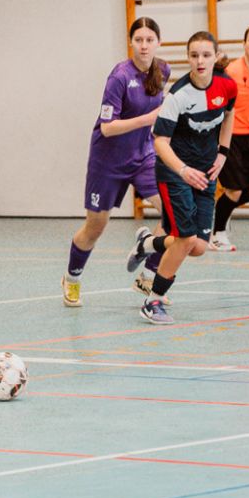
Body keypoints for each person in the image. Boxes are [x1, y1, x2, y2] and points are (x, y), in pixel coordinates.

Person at [125, 31, 236, 325]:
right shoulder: (178, 95)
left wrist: (223, 153)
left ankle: (148, 243)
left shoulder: (226, 86)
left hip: (205, 173)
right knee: (185, 239)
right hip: (174, 172)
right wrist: (183, 170)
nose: (200, 61)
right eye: (194, 55)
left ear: (215, 57)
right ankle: (153, 301)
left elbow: (229, 115)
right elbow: (160, 141)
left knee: (198, 247)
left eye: (206, 55)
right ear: (188, 58)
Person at [62, 17, 169, 308]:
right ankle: (72, 278)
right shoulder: (119, 77)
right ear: (131, 42)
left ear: (158, 42)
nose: (144, 46)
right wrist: (148, 119)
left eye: (150, 40)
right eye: (139, 40)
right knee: (95, 227)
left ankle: (148, 275)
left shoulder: (163, 70)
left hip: (143, 156)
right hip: (107, 161)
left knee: (174, 215)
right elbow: (108, 127)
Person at [210, 24, 249, 251]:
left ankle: (224, 209)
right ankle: (218, 234)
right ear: (244, 44)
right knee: (234, 190)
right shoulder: (231, 70)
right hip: (229, 136)